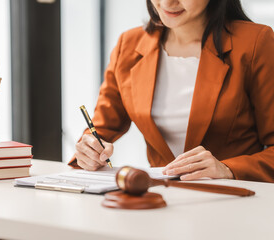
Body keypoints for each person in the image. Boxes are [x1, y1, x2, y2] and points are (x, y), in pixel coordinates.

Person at [70, 0, 274, 182]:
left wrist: (227, 168)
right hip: (161, 199)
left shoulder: (255, 42)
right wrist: (89, 149)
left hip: (233, 202)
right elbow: (100, 130)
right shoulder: (129, 44)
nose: (168, 2)